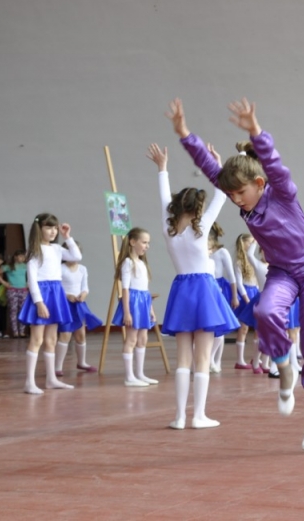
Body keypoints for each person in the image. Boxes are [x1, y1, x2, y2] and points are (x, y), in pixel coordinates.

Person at [170, 98, 304, 450]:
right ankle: (284, 365)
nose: (235, 200)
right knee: (264, 311)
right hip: (282, 271)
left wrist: (256, 131)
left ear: (260, 183)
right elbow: (210, 168)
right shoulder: (242, 198)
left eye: (240, 193)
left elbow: (274, 163)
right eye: (230, 194)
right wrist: (185, 134)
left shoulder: (282, 193)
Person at [147, 142, 239, 430]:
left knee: (183, 359)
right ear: (198, 207)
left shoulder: (169, 228)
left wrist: (162, 169)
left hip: (182, 290)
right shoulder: (203, 227)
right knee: (202, 358)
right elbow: (222, 194)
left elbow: (163, 199)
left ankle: (179, 416)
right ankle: (198, 415)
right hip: (204, 290)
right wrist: (217, 166)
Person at [18, 214, 80, 394]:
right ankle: (29, 382)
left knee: (51, 340)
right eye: (48, 228)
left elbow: (76, 256)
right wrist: (39, 303)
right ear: (39, 229)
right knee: (36, 339)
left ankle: (51, 379)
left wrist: (67, 237)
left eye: (55, 228)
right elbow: (32, 280)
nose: (53, 231)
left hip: (56, 292)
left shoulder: (57, 249)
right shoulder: (34, 251)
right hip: (42, 294)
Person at [112, 228, 158, 387]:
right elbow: (125, 289)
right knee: (131, 339)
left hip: (143, 301)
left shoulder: (142, 263)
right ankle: (129, 376)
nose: (147, 246)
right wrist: (127, 312)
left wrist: (151, 309)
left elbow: (146, 289)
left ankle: (140, 373)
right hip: (133, 302)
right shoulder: (128, 263)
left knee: (143, 339)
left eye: (148, 243)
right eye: (144, 242)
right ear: (132, 242)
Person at [56, 243, 102, 376]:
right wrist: (67, 296)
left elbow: (85, 287)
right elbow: (57, 287)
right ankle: (58, 367)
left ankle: (82, 362)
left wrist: (83, 294)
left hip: (78, 304)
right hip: (65, 304)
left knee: (80, 334)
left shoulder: (82, 269)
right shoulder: (60, 268)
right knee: (65, 334)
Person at [208, 222, 238, 374]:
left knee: (221, 326)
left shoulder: (222, 252)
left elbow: (232, 276)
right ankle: (210, 359)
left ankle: (216, 360)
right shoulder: (203, 251)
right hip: (208, 285)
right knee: (209, 325)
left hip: (220, 288)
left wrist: (234, 296)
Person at [233, 233, 259, 369]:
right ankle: (240, 360)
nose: (251, 244)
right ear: (242, 243)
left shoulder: (253, 260)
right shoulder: (239, 262)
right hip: (245, 294)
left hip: (255, 292)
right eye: (249, 242)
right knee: (243, 327)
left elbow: (258, 279)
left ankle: (256, 358)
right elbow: (239, 283)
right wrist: (246, 299)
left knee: (258, 328)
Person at [3, 250, 29, 338]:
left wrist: (28, 283)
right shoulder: (8, 266)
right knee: (13, 310)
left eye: (23, 256)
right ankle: (15, 332)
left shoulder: (26, 266)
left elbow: (34, 274)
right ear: (15, 257)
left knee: (22, 310)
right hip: (12, 290)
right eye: (20, 256)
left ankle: (22, 332)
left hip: (23, 290)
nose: (22, 258)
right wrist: (4, 282)